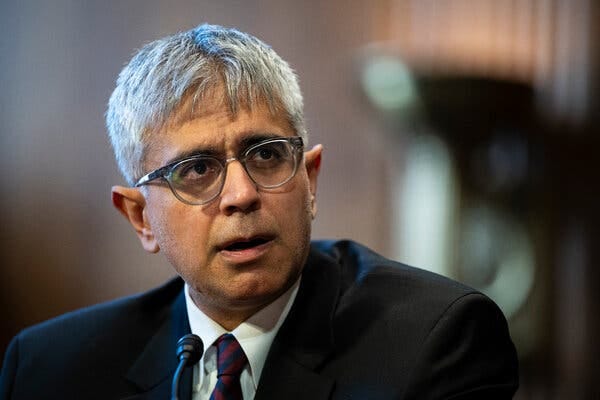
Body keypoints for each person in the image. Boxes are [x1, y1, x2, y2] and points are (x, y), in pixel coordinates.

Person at [0, 24, 518, 400]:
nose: (241, 194)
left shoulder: (436, 343)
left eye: (267, 154)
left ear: (309, 180)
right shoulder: (50, 369)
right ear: (141, 218)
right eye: (197, 170)